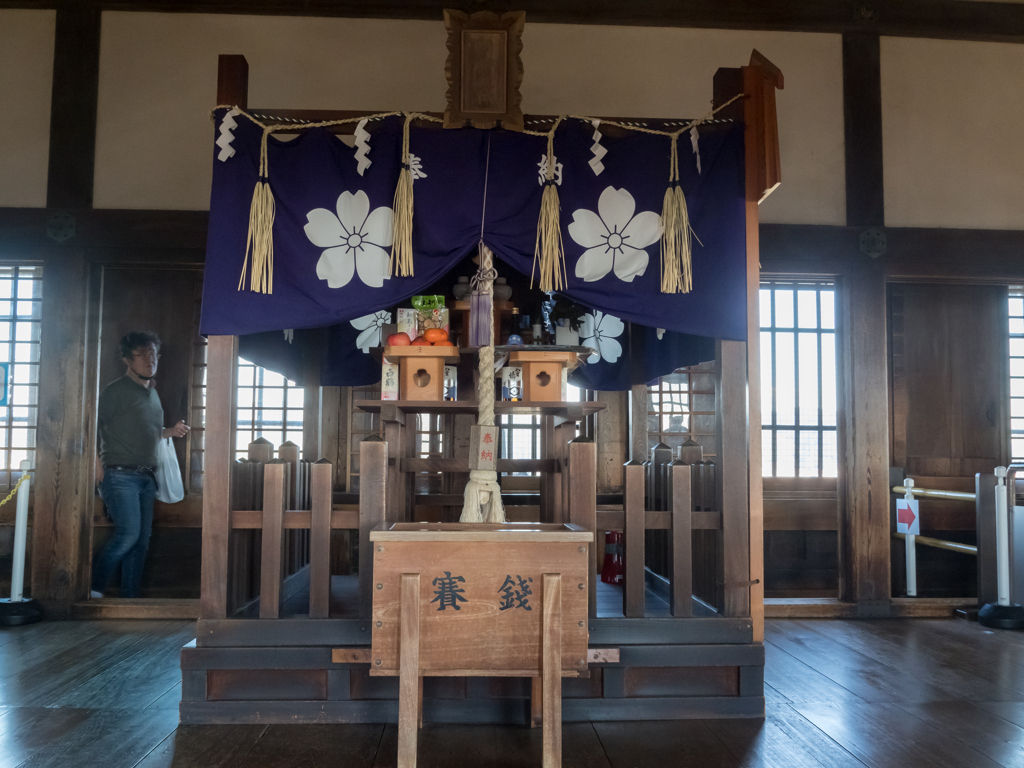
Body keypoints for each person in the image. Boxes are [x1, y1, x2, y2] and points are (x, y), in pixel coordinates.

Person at [91, 331, 188, 598]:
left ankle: (129, 599)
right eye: (143, 354)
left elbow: (146, 432)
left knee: (141, 542)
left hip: (147, 476)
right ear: (126, 359)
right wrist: (96, 465)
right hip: (119, 474)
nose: (150, 359)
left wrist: (170, 431)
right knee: (128, 535)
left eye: (154, 354)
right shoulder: (114, 391)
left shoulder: (152, 394)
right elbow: (89, 428)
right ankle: (93, 589)